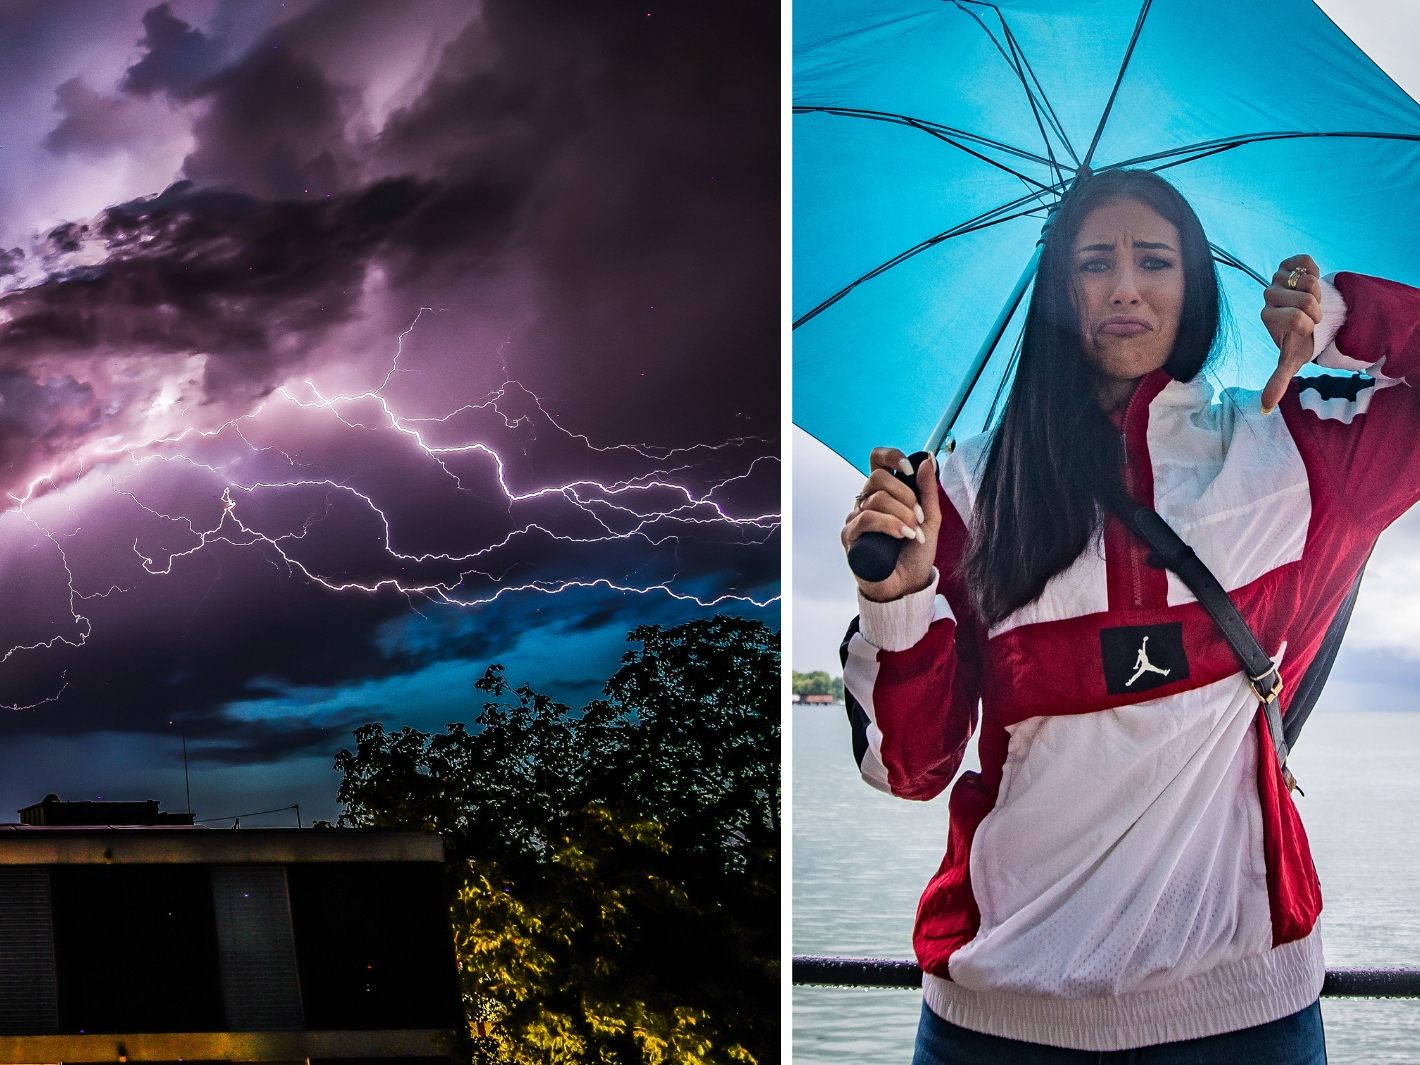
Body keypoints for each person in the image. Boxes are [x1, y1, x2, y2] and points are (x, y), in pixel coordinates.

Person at [839, 168, 1420, 1063]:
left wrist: (1344, 320)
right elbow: (909, 768)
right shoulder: (961, 489)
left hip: (1245, 1017)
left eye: (1155, 260)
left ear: (1195, 290)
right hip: (997, 1022)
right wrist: (895, 598)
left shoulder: (1289, 451)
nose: (1123, 285)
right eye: (1093, 261)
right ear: (1057, 289)